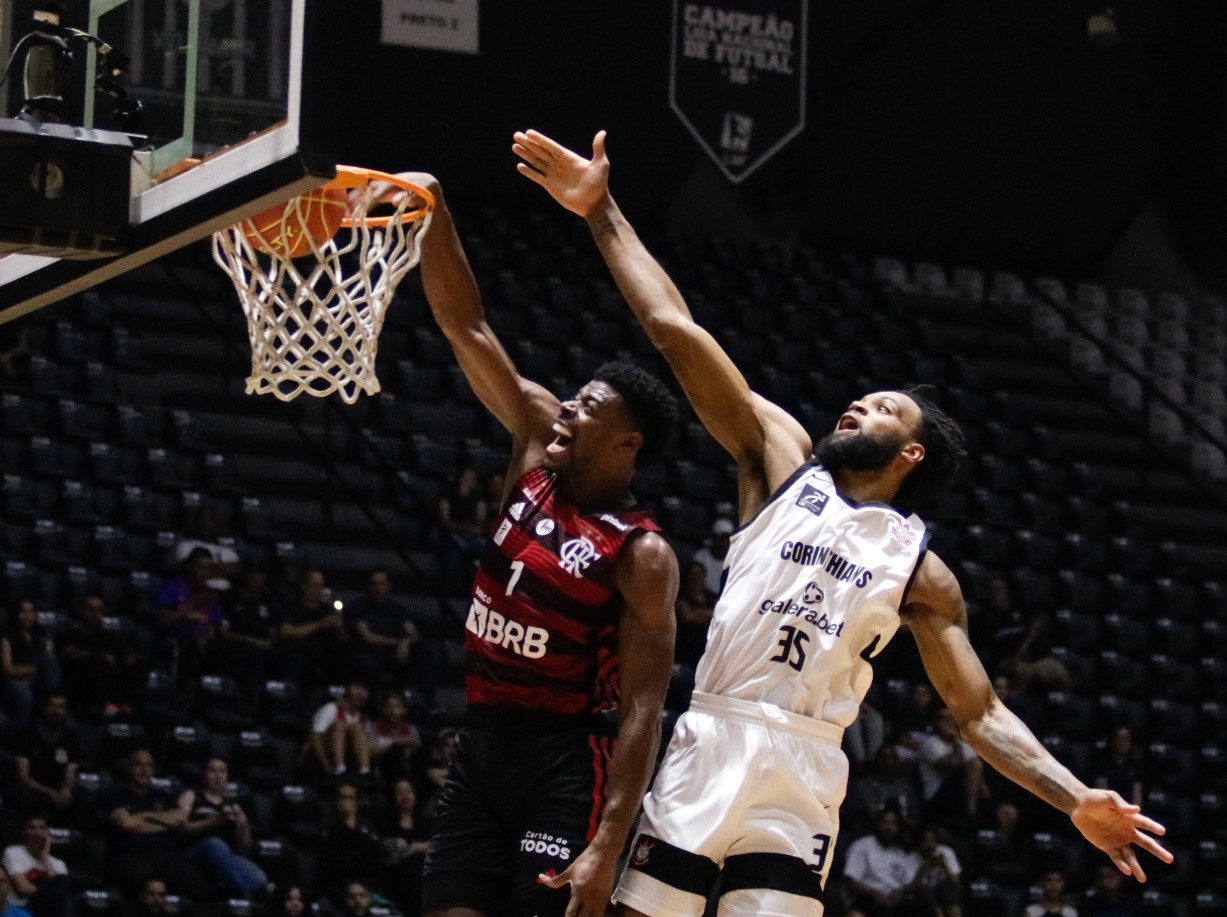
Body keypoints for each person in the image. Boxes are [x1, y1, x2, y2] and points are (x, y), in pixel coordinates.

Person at [515, 127, 1172, 916]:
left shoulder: (921, 569)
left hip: (806, 766)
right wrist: (601, 210)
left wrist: (1072, 799)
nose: (859, 403)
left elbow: (979, 712)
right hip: (715, 734)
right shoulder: (778, 461)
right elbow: (675, 332)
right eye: (860, 397)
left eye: (884, 407)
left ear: (913, 454)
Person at [378, 171, 680, 917]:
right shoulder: (537, 446)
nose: (569, 409)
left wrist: (608, 843)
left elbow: (644, 708)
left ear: (626, 443)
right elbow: (465, 325)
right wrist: (434, 210)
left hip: (565, 758)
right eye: (572, 398)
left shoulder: (640, 552)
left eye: (588, 407)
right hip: (481, 742)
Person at [104, 748, 210, 902]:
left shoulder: (164, 797)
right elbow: (127, 824)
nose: (144, 770)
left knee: (199, 888)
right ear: (129, 767)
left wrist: (146, 816)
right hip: (130, 855)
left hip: (166, 856)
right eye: (138, 765)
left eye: (149, 765)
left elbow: (179, 820)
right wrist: (163, 821)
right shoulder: (115, 796)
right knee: (148, 884)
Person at [175, 758, 268, 897]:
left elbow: (245, 850)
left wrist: (243, 826)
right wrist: (212, 822)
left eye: (222, 771)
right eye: (213, 770)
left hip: (225, 858)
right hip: (192, 854)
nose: (218, 776)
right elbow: (178, 831)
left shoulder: (233, 806)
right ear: (204, 774)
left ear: (227, 776)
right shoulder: (192, 796)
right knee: (213, 843)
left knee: (259, 878)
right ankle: (242, 893)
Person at [55, 593, 139, 715]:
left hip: (110, 681)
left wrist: (129, 660)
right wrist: (96, 655)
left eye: (99, 610)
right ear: (81, 610)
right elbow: (66, 653)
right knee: (98, 662)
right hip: (79, 682)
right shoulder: (70, 633)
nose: (95, 614)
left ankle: (128, 708)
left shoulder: (108, 636)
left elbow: (125, 656)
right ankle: (102, 706)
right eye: (90, 609)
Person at [154, 548, 222, 685]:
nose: (204, 572)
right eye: (200, 567)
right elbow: (163, 621)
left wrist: (206, 637)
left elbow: (213, 627)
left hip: (201, 642)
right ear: (189, 567)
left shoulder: (213, 594)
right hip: (175, 637)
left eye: (208, 568)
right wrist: (195, 602)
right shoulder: (172, 586)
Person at [11, 692, 79, 822]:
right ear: (43, 707)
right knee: (28, 797)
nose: (56, 711)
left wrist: (66, 790)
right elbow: (22, 777)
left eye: (61, 706)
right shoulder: (27, 733)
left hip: (59, 787)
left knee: (82, 796)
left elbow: (71, 770)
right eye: (52, 705)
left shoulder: (70, 735)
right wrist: (51, 793)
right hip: (35, 787)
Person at [841, 808, 921, 917]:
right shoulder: (862, 845)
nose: (889, 827)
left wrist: (901, 892)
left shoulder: (900, 853)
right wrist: (874, 893)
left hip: (896, 902)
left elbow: (909, 884)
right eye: (885, 822)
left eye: (893, 824)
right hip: (869, 898)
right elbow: (851, 881)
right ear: (878, 824)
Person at [273, 567, 347, 685]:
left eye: (320, 586)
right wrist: (320, 625)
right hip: (298, 653)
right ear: (303, 586)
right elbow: (285, 632)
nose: (318, 590)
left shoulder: (327, 609)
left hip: (324, 655)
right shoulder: (291, 607)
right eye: (314, 585)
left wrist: (339, 627)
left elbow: (343, 639)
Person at [1, 600, 62, 730]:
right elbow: (8, 670)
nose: (28, 615)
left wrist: (34, 672)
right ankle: (20, 736)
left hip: (38, 680)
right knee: (22, 691)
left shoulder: (42, 634)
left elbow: (48, 660)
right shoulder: (7, 636)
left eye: (31, 611)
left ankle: (53, 702)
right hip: (15, 683)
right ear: (16, 614)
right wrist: (33, 670)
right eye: (23, 611)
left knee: (49, 659)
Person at [1, 814, 70, 917]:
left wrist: (45, 859)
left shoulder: (58, 863)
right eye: (32, 828)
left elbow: (59, 894)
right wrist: (49, 892)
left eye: (42, 828)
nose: (37, 833)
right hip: (20, 908)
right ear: (24, 832)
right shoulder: (13, 852)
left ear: (48, 832)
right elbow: (23, 888)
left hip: (48, 909)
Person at [303, 678, 371, 778]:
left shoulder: (362, 719)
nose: (361, 693)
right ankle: (339, 768)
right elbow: (315, 738)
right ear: (347, 689)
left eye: (365, 690)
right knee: (339, 725)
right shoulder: (330, 708)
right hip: (320, 759)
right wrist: (325, 765)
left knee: (357, 729)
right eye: (357, 687)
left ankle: (365, 772)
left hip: (349, 761)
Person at [174, 505, 242, 591]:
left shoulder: (228, 551)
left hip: (223, 596)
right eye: (203, 519)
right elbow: (191, 571)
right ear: (196, 522)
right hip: (195, 595)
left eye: (211, 520)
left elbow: (238, 571)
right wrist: (223, 570)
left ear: (217, 524)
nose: (206, 523)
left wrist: (205, 567)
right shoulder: (185, 545)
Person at [366, 691, 422, 784]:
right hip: (381, 772)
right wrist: (394, 741)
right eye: (388, 707)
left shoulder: (410, 729)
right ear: (383, 709)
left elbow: (416, 744)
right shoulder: (374, 727)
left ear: (404, 710)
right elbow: (369, 751)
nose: (393, 711)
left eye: (397, 706)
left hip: (407, 771)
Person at [1091, 726, 1144, 807]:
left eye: (1126, 738)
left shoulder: (1135, 764)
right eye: (1119, 738)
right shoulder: (1102, 763)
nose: (1123, 742)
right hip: (1107, 808)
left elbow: (1137, 796)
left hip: (1128, 808)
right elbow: (1102, 793)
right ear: (1112, 740)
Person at [691, 518, 733, 596]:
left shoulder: (735, 559)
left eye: (727, 538)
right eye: (722, 537)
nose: (724, 542)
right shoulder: (700, 557)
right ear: (714, 538)